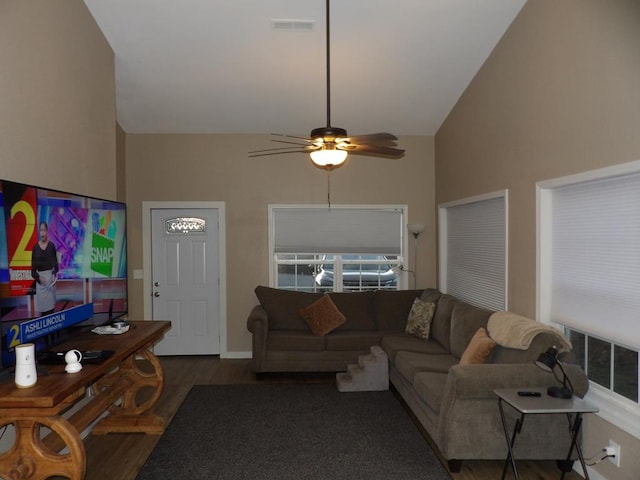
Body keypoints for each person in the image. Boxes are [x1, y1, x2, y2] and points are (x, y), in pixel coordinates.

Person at [31, 221, 58, 315]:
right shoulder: (35, 248)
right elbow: (33, 271)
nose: (42, 232)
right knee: (43, 314)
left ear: (47, 231)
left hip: (50, 282)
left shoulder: (51, 246)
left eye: (44, 230)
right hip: (41, 284)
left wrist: (54, 275)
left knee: (51, 312)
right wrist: (39, 278)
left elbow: (55, 264)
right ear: (39, 232)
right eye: (41, 230)